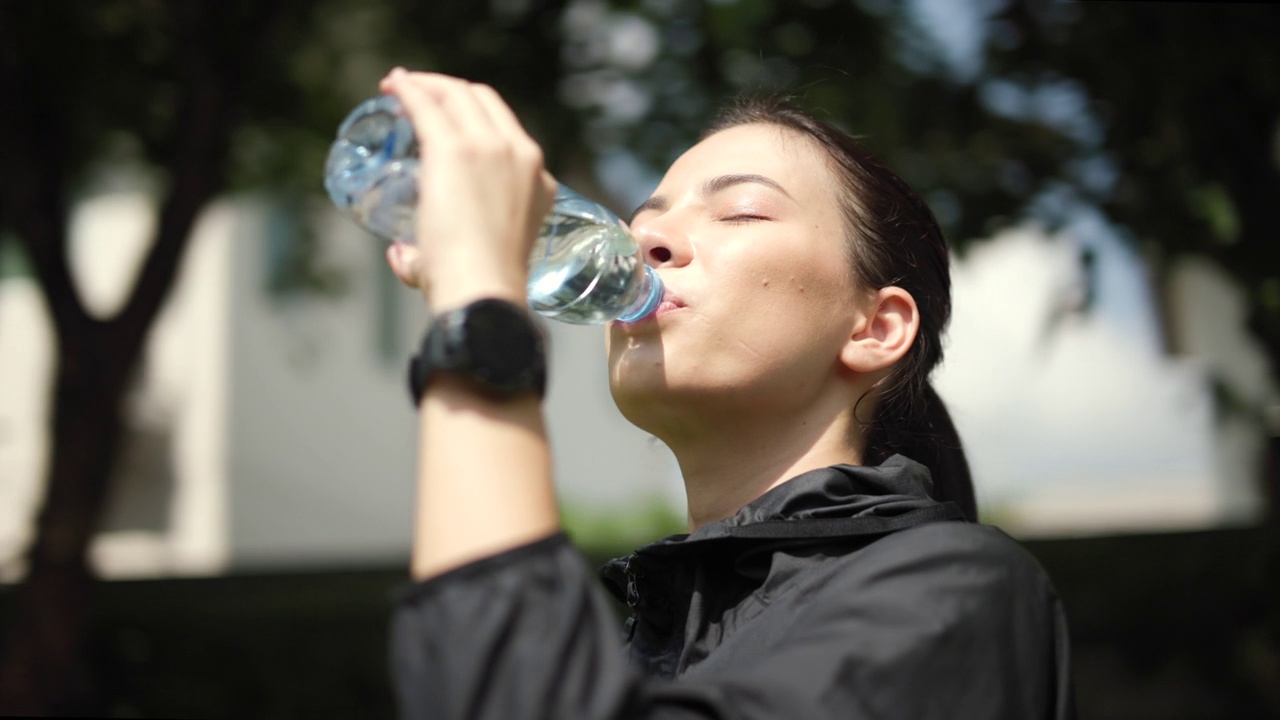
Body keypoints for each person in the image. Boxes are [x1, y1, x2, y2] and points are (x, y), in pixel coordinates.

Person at [378, 67, 1075, 719]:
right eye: (644, 215)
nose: (643, 236)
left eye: (740, 212)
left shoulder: (961, 593)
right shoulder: (645, 641)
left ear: (875, 327)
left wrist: (479, 312)